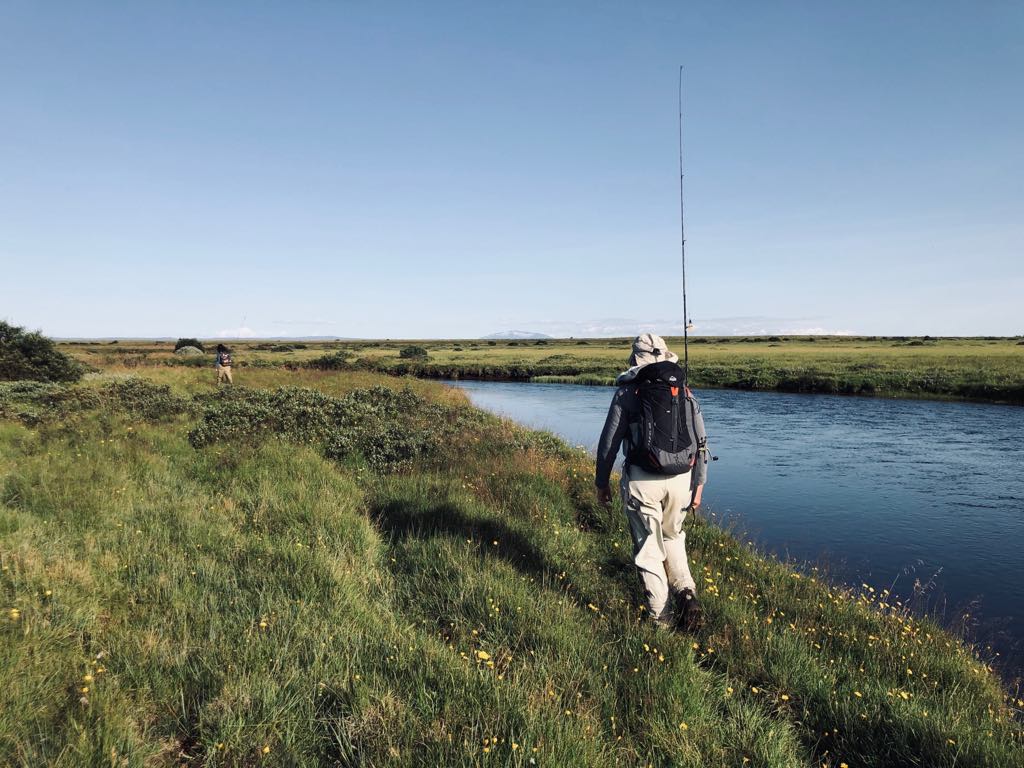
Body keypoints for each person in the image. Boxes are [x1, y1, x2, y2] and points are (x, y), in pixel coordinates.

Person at [595, 333, 709, 631]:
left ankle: (663, 626)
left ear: (636, 358)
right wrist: (698, 485)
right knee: (673, 538)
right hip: (681, 481)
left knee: (649, 550)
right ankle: (686, 592)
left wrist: (601, 483)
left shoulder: (628, 391)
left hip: (643, 482)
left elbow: (609, 444)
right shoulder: (683, 388)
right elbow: (701, 441)